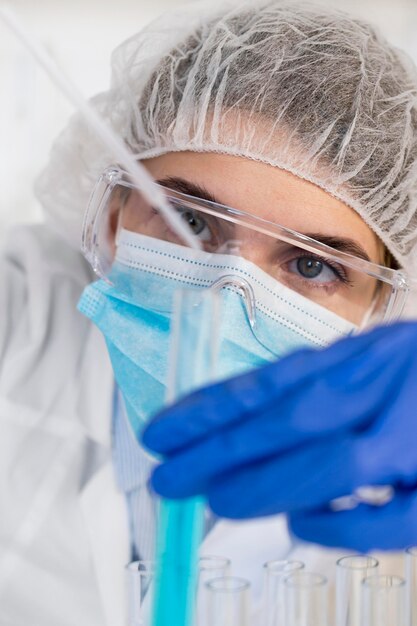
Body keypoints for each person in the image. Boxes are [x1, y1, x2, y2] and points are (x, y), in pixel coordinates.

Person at [1, 0, 417, 624]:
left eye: (311, 265)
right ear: (112, 216)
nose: (224, 295)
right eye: (189, 221)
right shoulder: (20, 317)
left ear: (384, 305)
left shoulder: (392, 447)